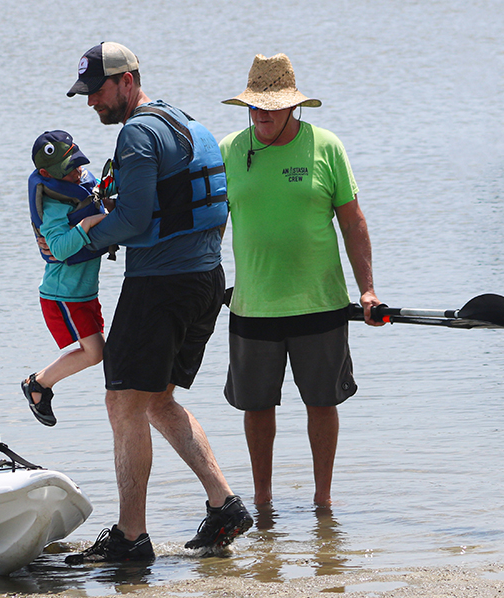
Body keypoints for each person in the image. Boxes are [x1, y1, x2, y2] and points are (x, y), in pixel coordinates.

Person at [62, 42, 253, 564]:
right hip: (204, 283)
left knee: (123, 401)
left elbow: (137, 221)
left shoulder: (138, 134)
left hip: (161, 289)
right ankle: (226, 505)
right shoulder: (191, 124)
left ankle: (130, 537)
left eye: (97, 91)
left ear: (128, 81)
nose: (91, 103)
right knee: (157, 401)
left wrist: (84, 237)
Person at [219, 54, 384, 508]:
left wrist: (367, 289)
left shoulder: (326, 147)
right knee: (256, 408)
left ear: (293, 106)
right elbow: (213, 226)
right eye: (255, 106)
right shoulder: (229, 149)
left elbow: (353, 223)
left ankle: (323, 503)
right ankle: (263, 502)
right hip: (252, 305)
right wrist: (202, 282)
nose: (261, 115)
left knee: (321, 403)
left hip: (321, 302)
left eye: (270, 106)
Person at [22, 130, 108, 427]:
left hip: (84, 293)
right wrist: (87, 224)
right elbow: (58, 248)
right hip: (63, 295)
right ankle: (39, 384)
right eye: (67, 170)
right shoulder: (53, 204)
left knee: (101, 350)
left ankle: (40, 384)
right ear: (46, 173)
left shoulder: (84, 182)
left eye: (78, 164)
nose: (76, 172)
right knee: (96, 353)